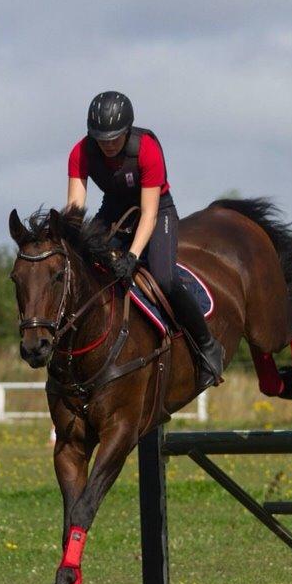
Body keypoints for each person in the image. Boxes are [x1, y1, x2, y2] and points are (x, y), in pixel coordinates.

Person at [65, 90, 224, 387]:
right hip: (113, 209)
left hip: (157, 211)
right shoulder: (80, 152)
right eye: (101, 138)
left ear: (127, 131)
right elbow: (75, 209)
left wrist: (133, 256)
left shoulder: (146, 148)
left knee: (163, 278)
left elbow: (148, 214)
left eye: (114, 137)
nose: (108, 144)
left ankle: (207, 344)